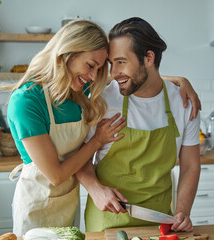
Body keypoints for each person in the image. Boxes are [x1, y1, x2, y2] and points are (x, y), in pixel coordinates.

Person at [6, 19, 200, 236]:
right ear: (67, 53)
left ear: (149, 58)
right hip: (41, 205)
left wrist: (180, 80)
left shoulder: (77, 89)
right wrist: (97, 147)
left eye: (99, 69)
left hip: (73, 206)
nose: (96, 75)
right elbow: (58, 174)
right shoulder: (29, 101)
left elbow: (140, 78)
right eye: (93, 66)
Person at [76, 17, 201, 233]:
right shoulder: (102, 100)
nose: (114, 73)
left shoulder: (183, 104)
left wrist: (182, 211)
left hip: (159, 220)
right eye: (111, 64)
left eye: (121, 62)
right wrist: (96, 190)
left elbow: (190, 166)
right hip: (108, 220)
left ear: (149, 58)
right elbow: (80, 156)